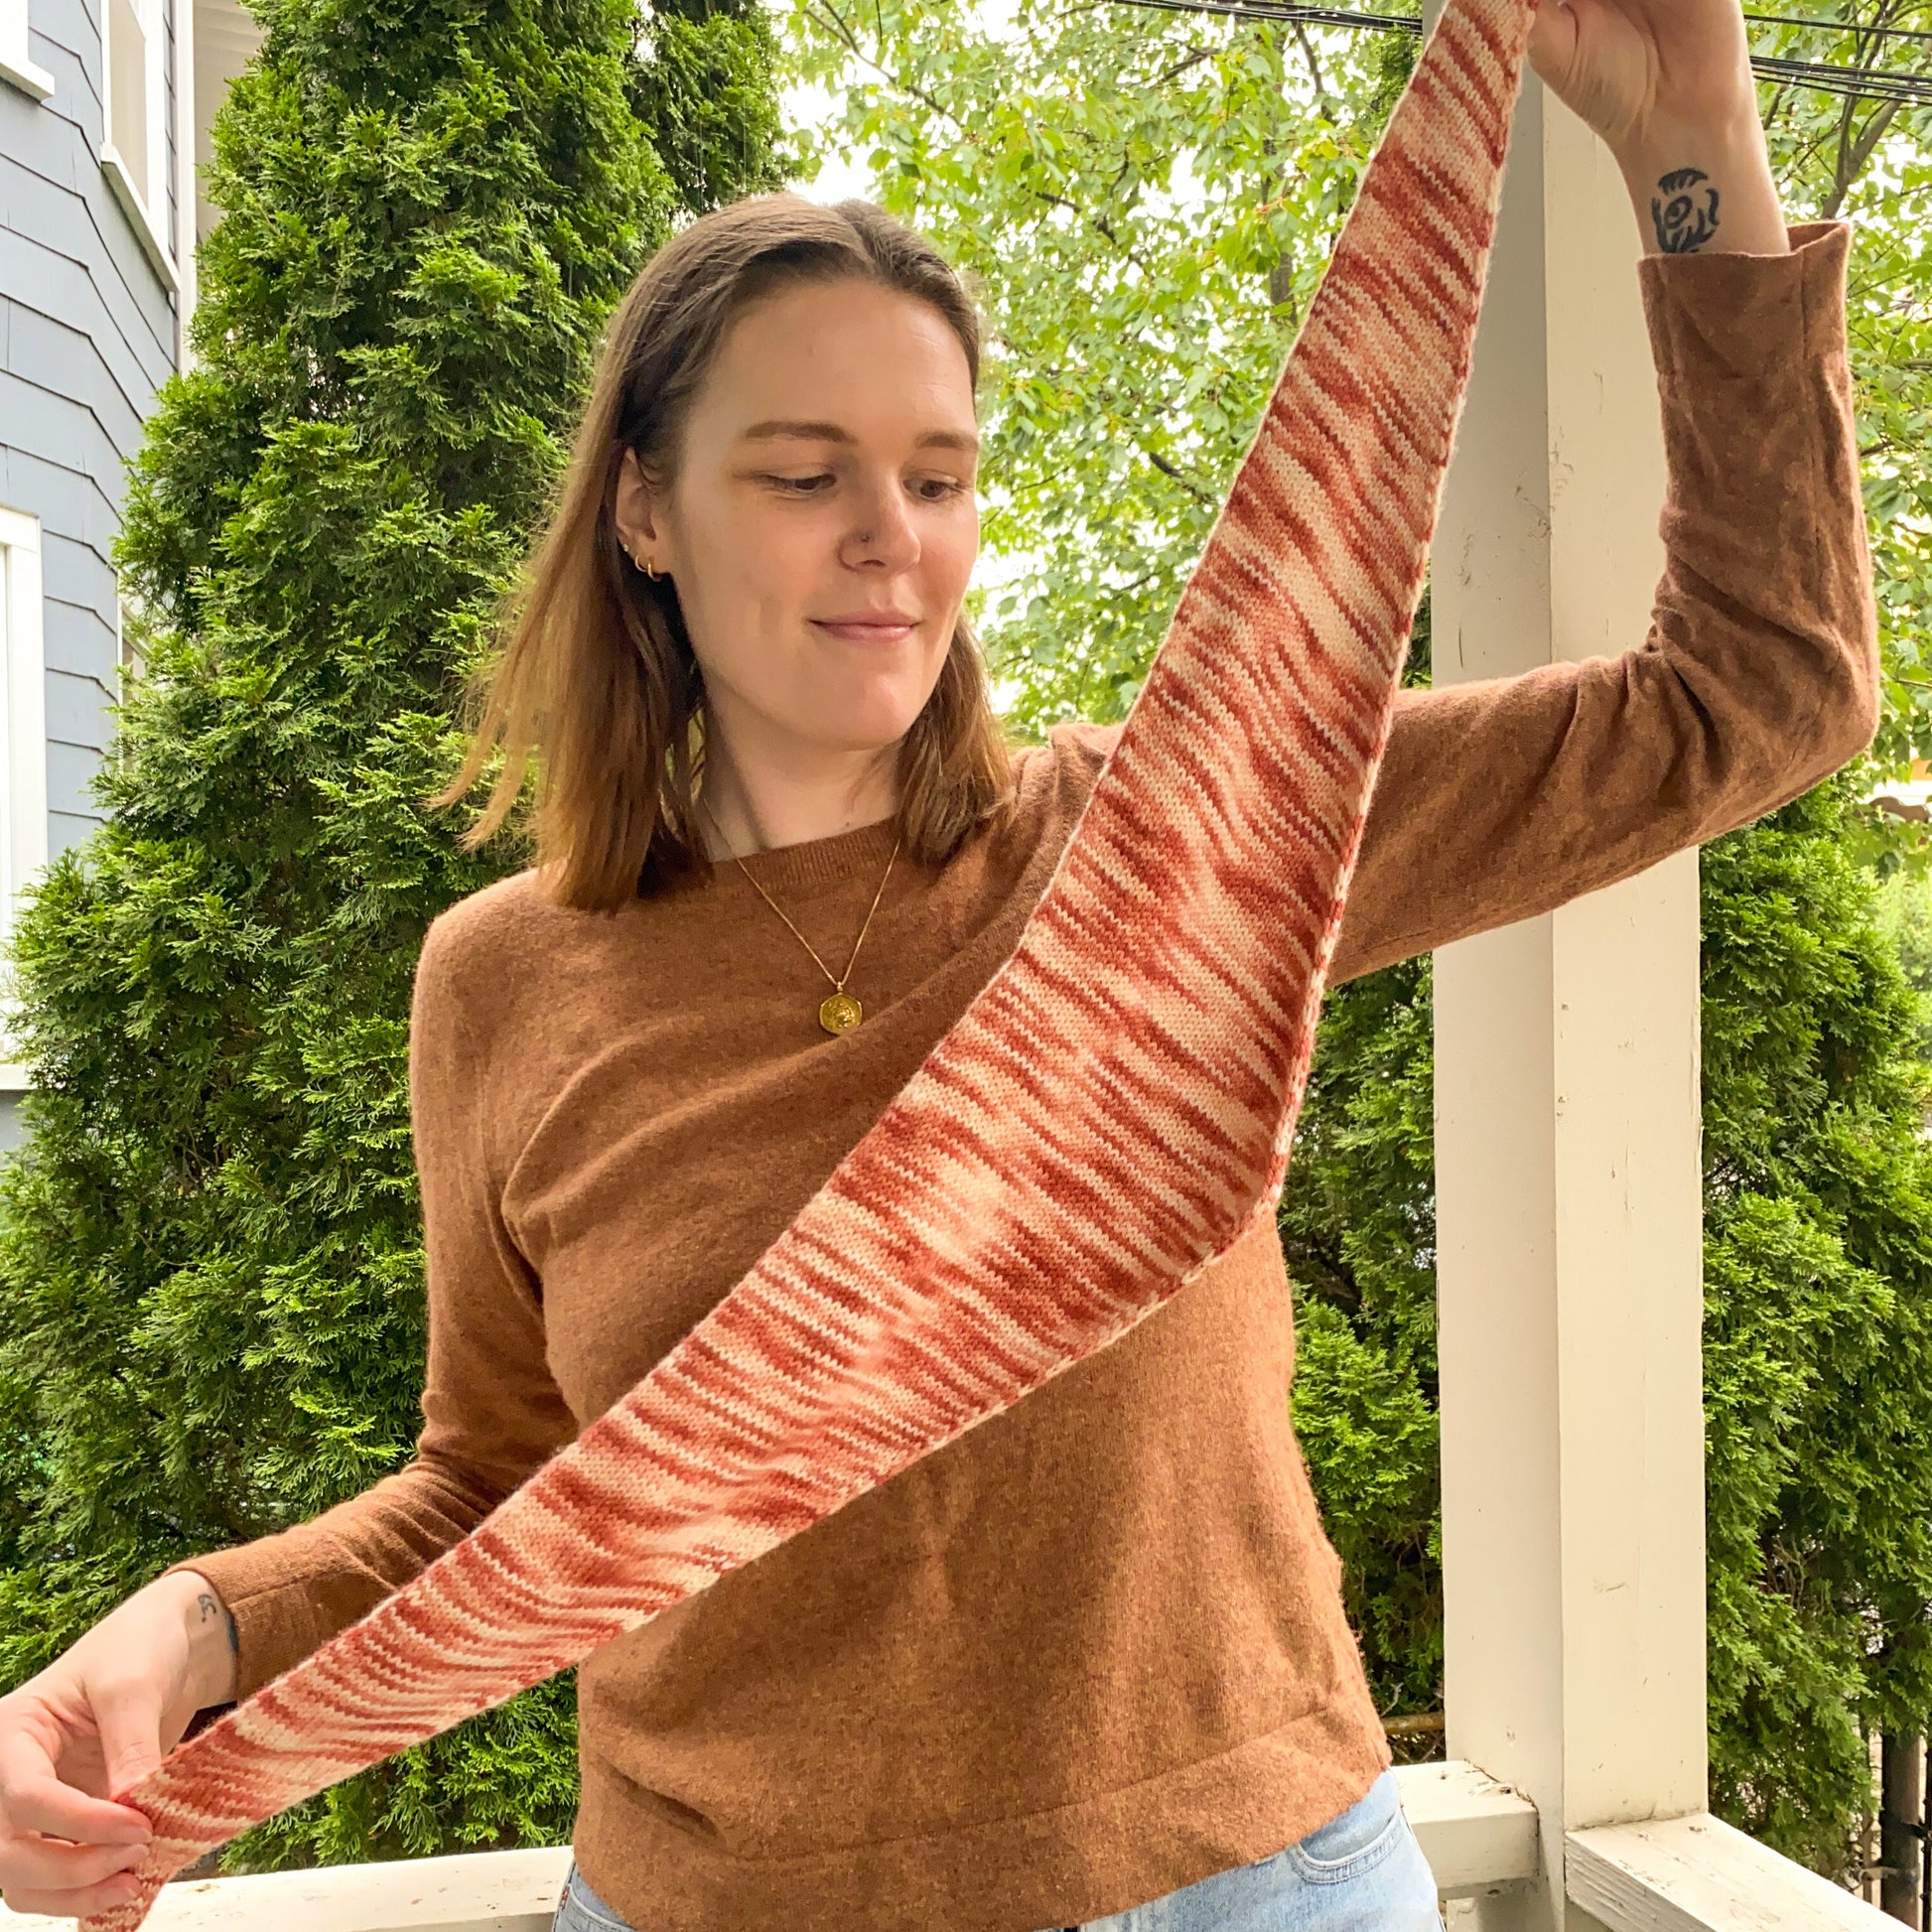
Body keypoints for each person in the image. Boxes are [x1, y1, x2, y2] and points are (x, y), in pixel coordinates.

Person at [0, 0, 1879, 1925]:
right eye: (801, 472)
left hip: (1258, 1885)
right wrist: (201, 1624)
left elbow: (1763, 685)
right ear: (642, 507)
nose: (885, 536)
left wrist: (1692, 145)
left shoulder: (1181, 848)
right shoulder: (504, 982)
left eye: (937, 472)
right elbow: (516, 1486)